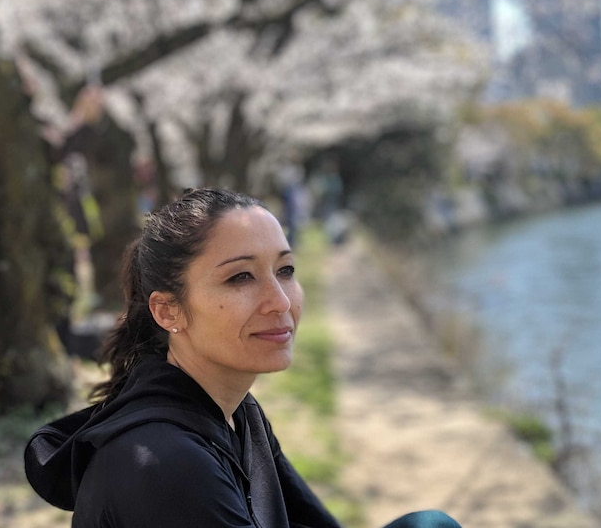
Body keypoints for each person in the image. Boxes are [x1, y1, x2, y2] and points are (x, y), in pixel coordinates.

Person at [25, 188, 462, 528]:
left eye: (285, 270)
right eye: (240, 277)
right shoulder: (162, 462)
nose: (279, 301)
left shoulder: (236, 411)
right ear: (168, 310)